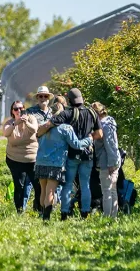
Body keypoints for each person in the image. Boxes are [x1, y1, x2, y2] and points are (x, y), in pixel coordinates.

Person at [38, 87, 103, 219]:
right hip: (87, 154)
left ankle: (64, 212)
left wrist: (40, 132)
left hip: (72, 155)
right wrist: (89, 138)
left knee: (68, 185)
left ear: (69, 100)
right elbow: (99, 134)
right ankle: (85, 213)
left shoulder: (67, 113)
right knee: (85, 184)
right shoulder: (92, 113)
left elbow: (49, 125)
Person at [2, 99, 38, 214]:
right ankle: (20, 211)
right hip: (15, 159)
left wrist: (26, 122)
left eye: (21, 108)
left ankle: (38, 209)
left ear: (24, 109)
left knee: (38, 186)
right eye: (16, 109)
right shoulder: (10, 123)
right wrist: (15, 123)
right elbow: (6, 133)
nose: (18, 111)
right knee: (19, 186)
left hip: (32, 159)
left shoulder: (31, 118)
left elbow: (34, 130)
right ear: (12, 111)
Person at [24, 86, 54, 211]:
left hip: (51, 151)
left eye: (45, 96)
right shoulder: (30, 112)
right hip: (34, 149)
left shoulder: (53, 112)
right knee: (30, 182)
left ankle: (43, 208)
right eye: (41, 96)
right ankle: (24, 209)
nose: (43, 98)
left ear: (49, 98)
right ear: (37, 98)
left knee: (48, 183)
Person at [92, 101, 121, 217]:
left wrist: (111, 163)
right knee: (112, 189)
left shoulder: (104, 125)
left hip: (107, 161)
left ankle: (107, 217)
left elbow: (109, 144)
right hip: (113, 159)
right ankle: (113, 217)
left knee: (106, 190)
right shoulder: (110, 121)